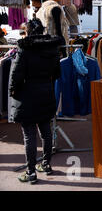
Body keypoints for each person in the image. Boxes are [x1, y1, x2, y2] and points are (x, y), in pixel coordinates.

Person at [9, 19, 63, 184]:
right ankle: (46, 164)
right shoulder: (52, 48)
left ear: (29, 32)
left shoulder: (25, 49)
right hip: (46, 93)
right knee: (46, 131)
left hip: (27, 95)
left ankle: (31, 171)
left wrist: (13, 90)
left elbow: (16, 75)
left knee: (29, 135)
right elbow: (57, 73)